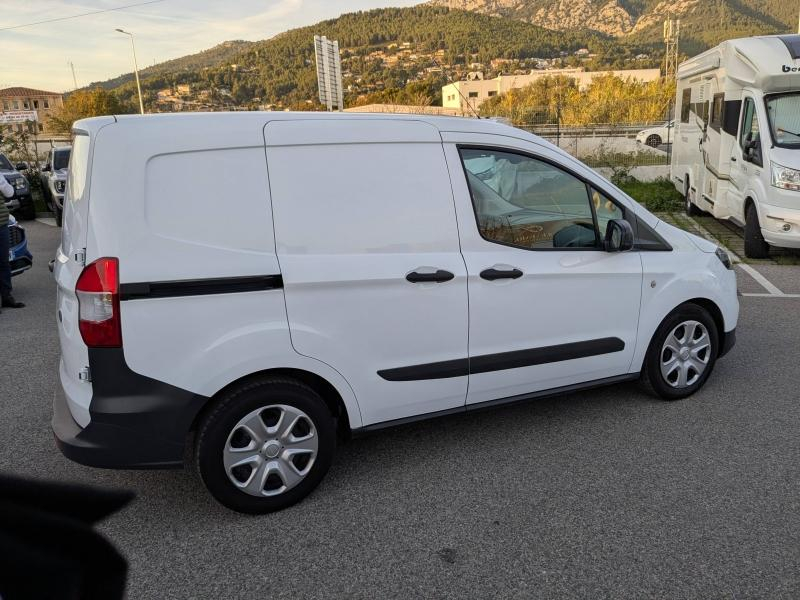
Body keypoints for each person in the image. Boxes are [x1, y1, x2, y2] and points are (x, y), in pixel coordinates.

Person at [0, 174, 25, 312]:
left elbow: (10, 193)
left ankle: (6, 297)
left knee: (4, 262)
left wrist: (1, 182)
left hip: (2, 224)